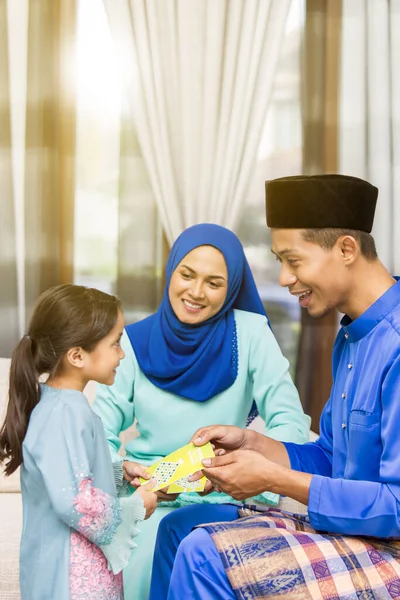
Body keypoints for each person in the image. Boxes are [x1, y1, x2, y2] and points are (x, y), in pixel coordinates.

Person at [150, 174, 400, 600]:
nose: (284, 278)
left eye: (294, 260)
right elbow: (331, 457)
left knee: (204, 553)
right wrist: (254, 446)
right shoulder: (351, 337)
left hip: (388, 549)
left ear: (346, 249)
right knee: (181, 526)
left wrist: (277, 479)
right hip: (353, 533)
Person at [92, 222, 311, 599]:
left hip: (226, 496)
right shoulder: (134, 339)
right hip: (148, 497)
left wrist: (255, 469)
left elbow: (290, 419)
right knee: (137, 563)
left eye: (213, 283)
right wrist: (120, 471)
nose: (195, 292)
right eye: (187, 275)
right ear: (170, 271)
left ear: (232, 289)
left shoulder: (252, 333)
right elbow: (97, 430)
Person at [0, 284, 158, 600]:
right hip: (73, 582)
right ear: (77, 355)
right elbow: (75, 502)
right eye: (115, 344)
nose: (122, 353)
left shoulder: (59, 404)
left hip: (65, 574)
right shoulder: (66, 412)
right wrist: (137, 505)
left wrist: (119, 473)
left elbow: (70, 472)